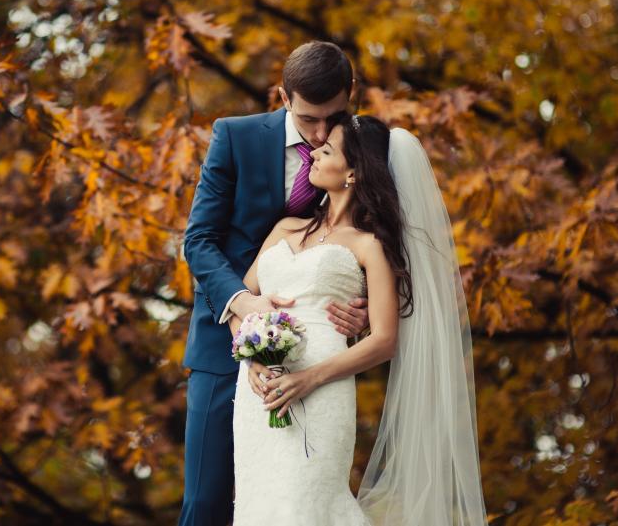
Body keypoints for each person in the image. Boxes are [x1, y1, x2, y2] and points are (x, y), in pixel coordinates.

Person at [231, 114, 487, 525]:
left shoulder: (371, 247)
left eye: (327, 150)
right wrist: (253, 359)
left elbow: (385, 339)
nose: (313, 152)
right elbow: (240, 303)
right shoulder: (283, 229)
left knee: (306, 506)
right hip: (258, 395)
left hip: (322, 390)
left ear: (353, 172)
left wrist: (309, 378)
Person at [179, 41, 370, 526]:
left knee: (297, 506)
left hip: (318, 362)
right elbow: (199, 240)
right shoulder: (234, 137)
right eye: (309, 120)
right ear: (282, 97)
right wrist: (245, 304)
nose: (322, 132)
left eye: (334, 116)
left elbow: (377, 249)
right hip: (224, 349)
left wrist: (363, 308)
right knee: (206, 503)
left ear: (351, 93)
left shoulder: (365, 155)